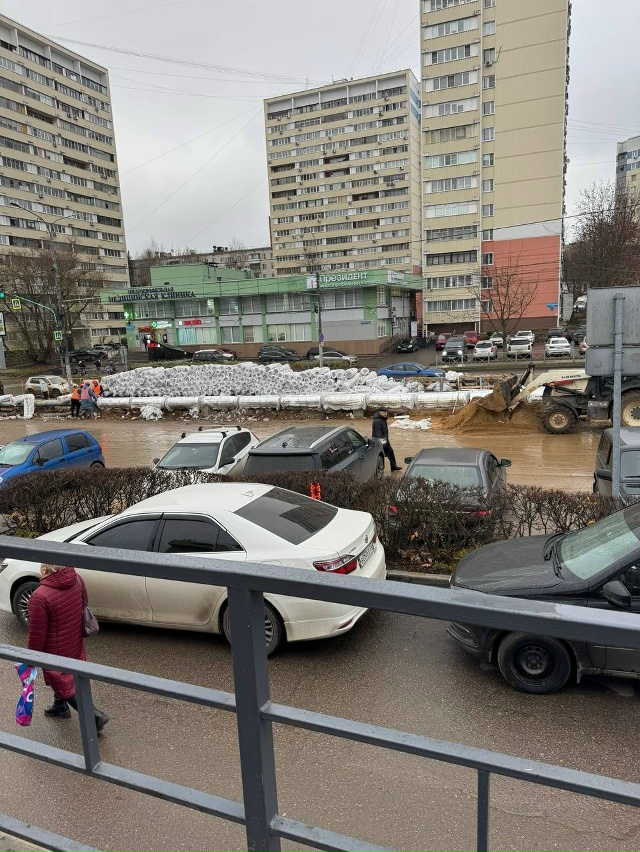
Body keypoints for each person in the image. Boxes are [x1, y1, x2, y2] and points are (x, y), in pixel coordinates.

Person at [27, 562, 108, 733]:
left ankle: (95, 717)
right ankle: (60, 707)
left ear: (44, 567)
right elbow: (83, 602)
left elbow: (37, 634)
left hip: (55, 648)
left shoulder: (39, 597)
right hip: (74, 638)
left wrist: (30, 659)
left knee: (62, 682)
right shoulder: (76, 579)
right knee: (69, 677)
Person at [371, 408, 402, 472]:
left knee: (390, 453)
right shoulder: (378, 421)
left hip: (384, 440)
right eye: (384, 412)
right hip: (381, 442)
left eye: (386, 412)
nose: (386, 414)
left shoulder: (382, 419)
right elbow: (378, 433)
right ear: (380, 413)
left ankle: (393, 467)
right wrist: (383, 442)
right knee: (380, 456)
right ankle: (378, 471)